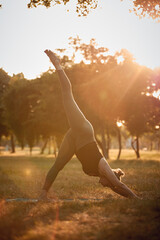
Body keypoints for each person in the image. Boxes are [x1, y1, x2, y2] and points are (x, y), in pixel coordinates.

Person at [39, 50, 139, 200]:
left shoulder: (100, 174)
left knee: (58, 164)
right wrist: (136, 199)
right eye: (108, 183)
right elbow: (119, 186)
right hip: (83, 130)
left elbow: (115, 187)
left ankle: (42, 194)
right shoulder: (104, 167)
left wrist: (122, 193)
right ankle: (57, 64)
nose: (104, 185)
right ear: (110, 176)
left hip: (75, 140)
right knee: (67, 96)